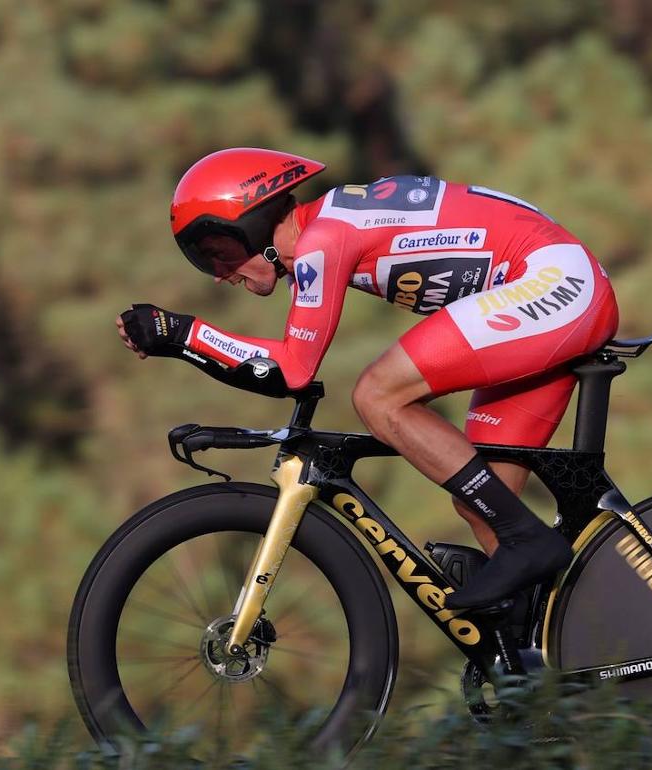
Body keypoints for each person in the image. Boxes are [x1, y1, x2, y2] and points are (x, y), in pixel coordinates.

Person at [118, 148, 619, 609]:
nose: (217, 272)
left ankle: (529, 543)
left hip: (553, 283)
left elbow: (292, 371)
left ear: (252, 222)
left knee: (378, 395)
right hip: (554, 284)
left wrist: (182, 333)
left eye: (218, 251)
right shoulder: (329, 227)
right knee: (485, 507)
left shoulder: (323, 239)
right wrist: (184, 340)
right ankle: (558, 657)